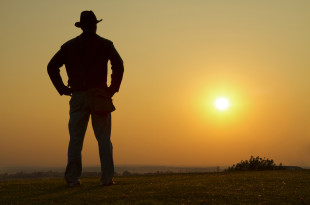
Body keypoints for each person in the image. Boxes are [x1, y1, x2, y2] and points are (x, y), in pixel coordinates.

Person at [47, 10, 124, 187]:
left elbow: (52, 67)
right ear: (95, 25)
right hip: (99, 94)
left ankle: (72, 179)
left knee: (75, 139)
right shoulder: (104, 44)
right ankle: (106, 179)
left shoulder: (69, 46)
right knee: (104, 139)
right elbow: (118, 65)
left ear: (81, 26)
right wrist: (112, 89)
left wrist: (63, 89)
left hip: (78, 95)